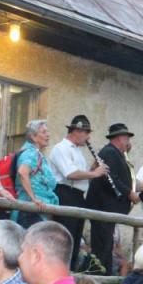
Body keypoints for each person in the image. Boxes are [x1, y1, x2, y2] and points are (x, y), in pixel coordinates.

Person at [50, 115, 107, 271]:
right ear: (76, 131)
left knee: (75, 238)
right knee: (65, 238)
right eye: (86, 132)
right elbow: (70, 173)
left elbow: (81, 177)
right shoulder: (60, 148)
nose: (88, 137)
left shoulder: (78, 151)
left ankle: (71, 273)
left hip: (77, 196)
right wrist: (95, 174)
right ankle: (59, 272)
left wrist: (92, 170)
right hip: (65, 194)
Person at [87, 123, 139, 272]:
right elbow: (111, 178)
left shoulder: (117, 154)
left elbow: (120, 178)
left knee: (106, 246)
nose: (128, 142)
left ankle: (103, 276)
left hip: (107, 208)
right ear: (119, 138)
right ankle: (99, 277)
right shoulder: (109, 152)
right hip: (102, 207)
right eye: (126, 138)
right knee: (102, 247)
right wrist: (129, 193)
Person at [10, 120, 59, 228]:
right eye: (44, 132)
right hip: (30, 211)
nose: (48, 135)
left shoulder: (34, 153)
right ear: (33, 137)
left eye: (47, 132)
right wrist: (34, 198)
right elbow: (23, 172)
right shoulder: (31, 153)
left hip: (34, 210)